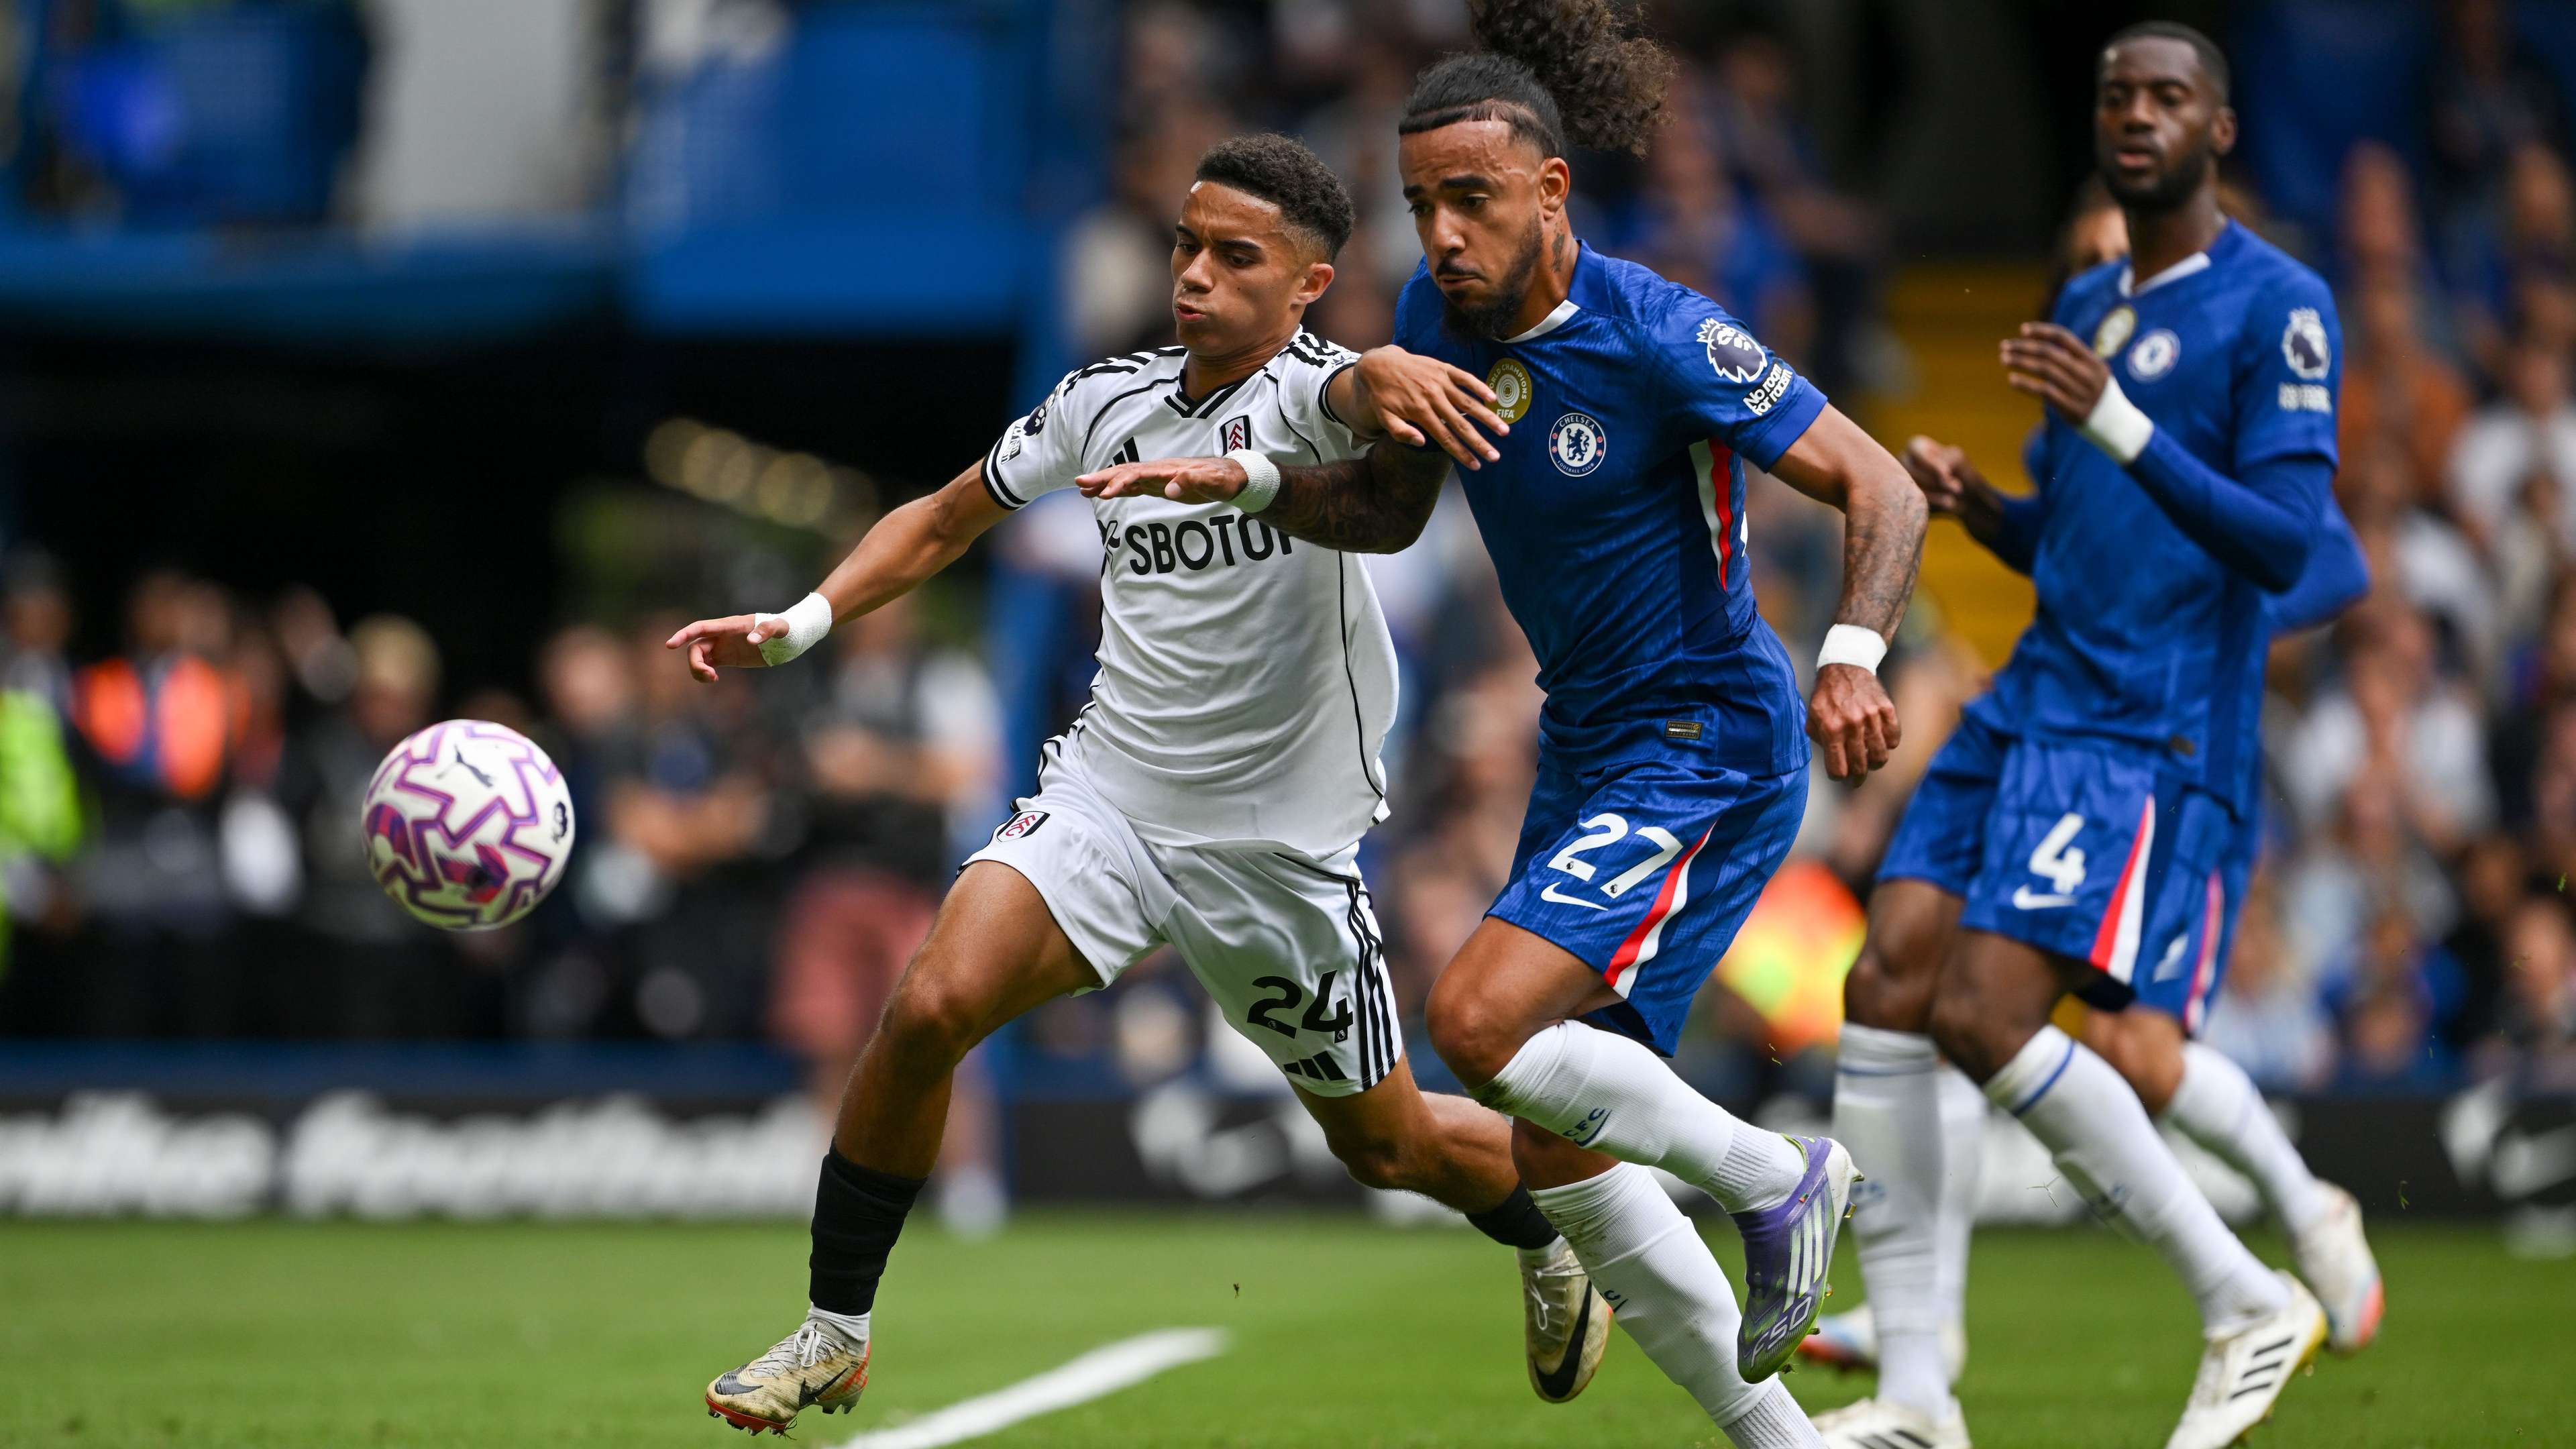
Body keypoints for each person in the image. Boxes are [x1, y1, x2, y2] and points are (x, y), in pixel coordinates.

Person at [673, 133, 1612, 1436]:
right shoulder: (1104, 397)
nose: (1196, 278)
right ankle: (837, 1331)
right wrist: (806, 620)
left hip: (1278, 854)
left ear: (1306, 286)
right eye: (1186, 245)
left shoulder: (1314, 390)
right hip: (1111, 802)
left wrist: (1392, 366)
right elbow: (947, 518)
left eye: (1239, 258)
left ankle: (1564, 1226)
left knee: (1387, 1146)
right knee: (932, 1002)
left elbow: (1364, 396)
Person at [1077, 4, 1927, 1442]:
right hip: (1590, 745)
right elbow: (1392, 517)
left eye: (1470, 200)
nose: (1443, 234)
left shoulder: (1660, 333)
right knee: (1555, 1149)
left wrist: (1852, 653)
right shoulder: (1430, 320)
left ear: (1550, 191)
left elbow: (1881, 485)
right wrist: (1246, 484)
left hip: (1708, 739)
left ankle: (1777, 1177)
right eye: (1421, 205)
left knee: (1473, 1020)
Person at [1814, 25, 2346, 1449]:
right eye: (2116, 94)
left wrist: (2118, 422)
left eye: (2169, 97)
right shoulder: (2095, 306)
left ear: (2219, 130)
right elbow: (2088, 541)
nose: (2136, 115)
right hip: (2032, 692)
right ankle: (1921, 1397)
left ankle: (2245, 1296)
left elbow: (2291, 546)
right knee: (1886, 980)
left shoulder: (2278, 308)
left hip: (2139, 725)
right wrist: (1989, 507)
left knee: (1993, 1019)